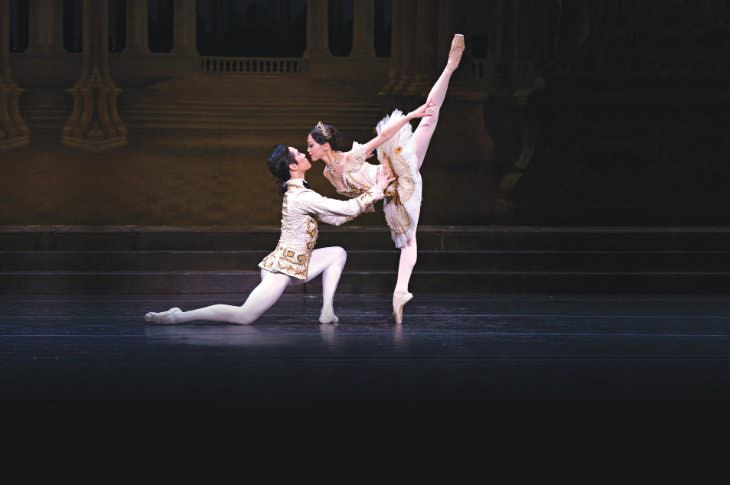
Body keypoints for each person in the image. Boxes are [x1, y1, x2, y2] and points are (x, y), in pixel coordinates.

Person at [306, 34, 465, 323]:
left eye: (311, 145)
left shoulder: (348, 158)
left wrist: (409, 116)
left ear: (325, 145)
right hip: (391, 192)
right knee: (407, 242)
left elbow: (382, 137)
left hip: (393, 169)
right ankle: (400, 292)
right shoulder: (330, 173)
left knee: (427, 118)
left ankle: (450, 66)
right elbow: (355, 199)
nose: (309, 149)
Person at [144, 145, 394, 326]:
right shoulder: (302, 196)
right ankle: (179, 316)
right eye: (299, 154)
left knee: (337, 253)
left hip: (296, 265)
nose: (305, 154)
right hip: (282, 270)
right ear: (293, 166)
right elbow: (347, 209)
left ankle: (327, 311)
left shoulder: (301, 194)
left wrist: (371, 194)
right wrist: (377, 189)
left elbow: (338, 217)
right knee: (244, 316)